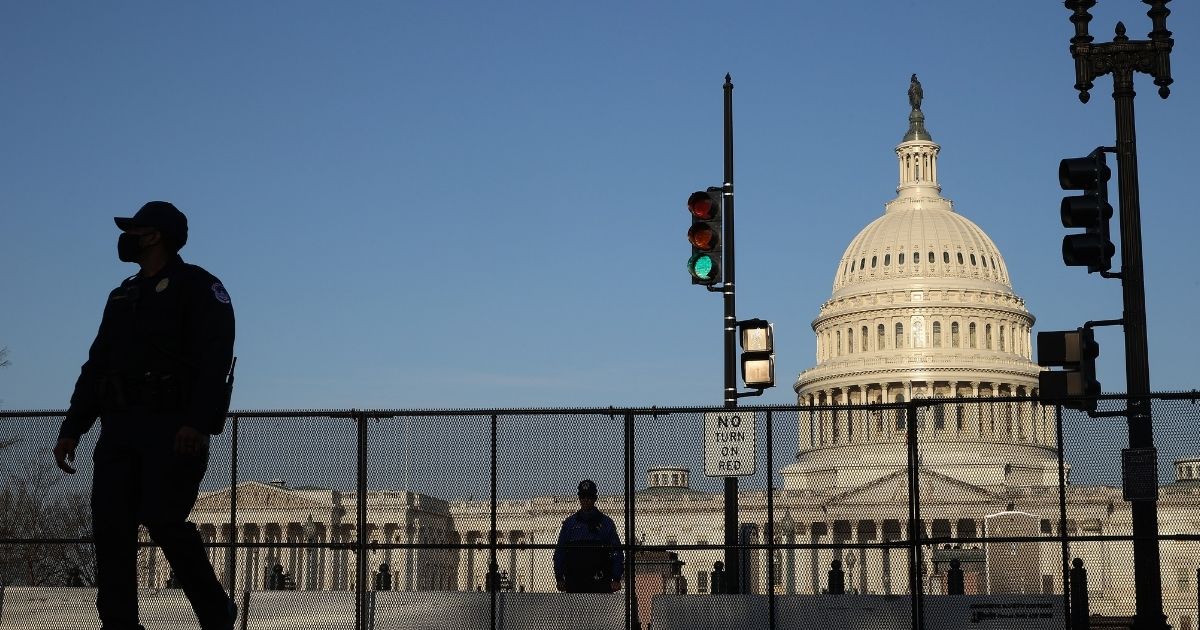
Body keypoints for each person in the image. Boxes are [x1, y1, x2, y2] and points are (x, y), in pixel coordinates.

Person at [52, 201, 237, 630]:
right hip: (120, 428)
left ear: (153, 236)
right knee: (111, 531)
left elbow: (215, 359)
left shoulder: (199, 287)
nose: (126, 238)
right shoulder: (122, 295)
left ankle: (215, 611)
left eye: (134, 230)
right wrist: (73, 428)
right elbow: (97, 366)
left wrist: (197, 421)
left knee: (163, 520)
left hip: (173, 426)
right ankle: (119, 624)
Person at [553, 479, 624, 593]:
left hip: (600, 581)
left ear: (595, 498)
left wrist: (616, 578)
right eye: (583, 497)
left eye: (589, 497)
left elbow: (617, 552)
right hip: (575, 581)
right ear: (579, 498)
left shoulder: (606, 523)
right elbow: (560, 552)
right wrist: (559, 577)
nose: (586, 500)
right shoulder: (569, 524)